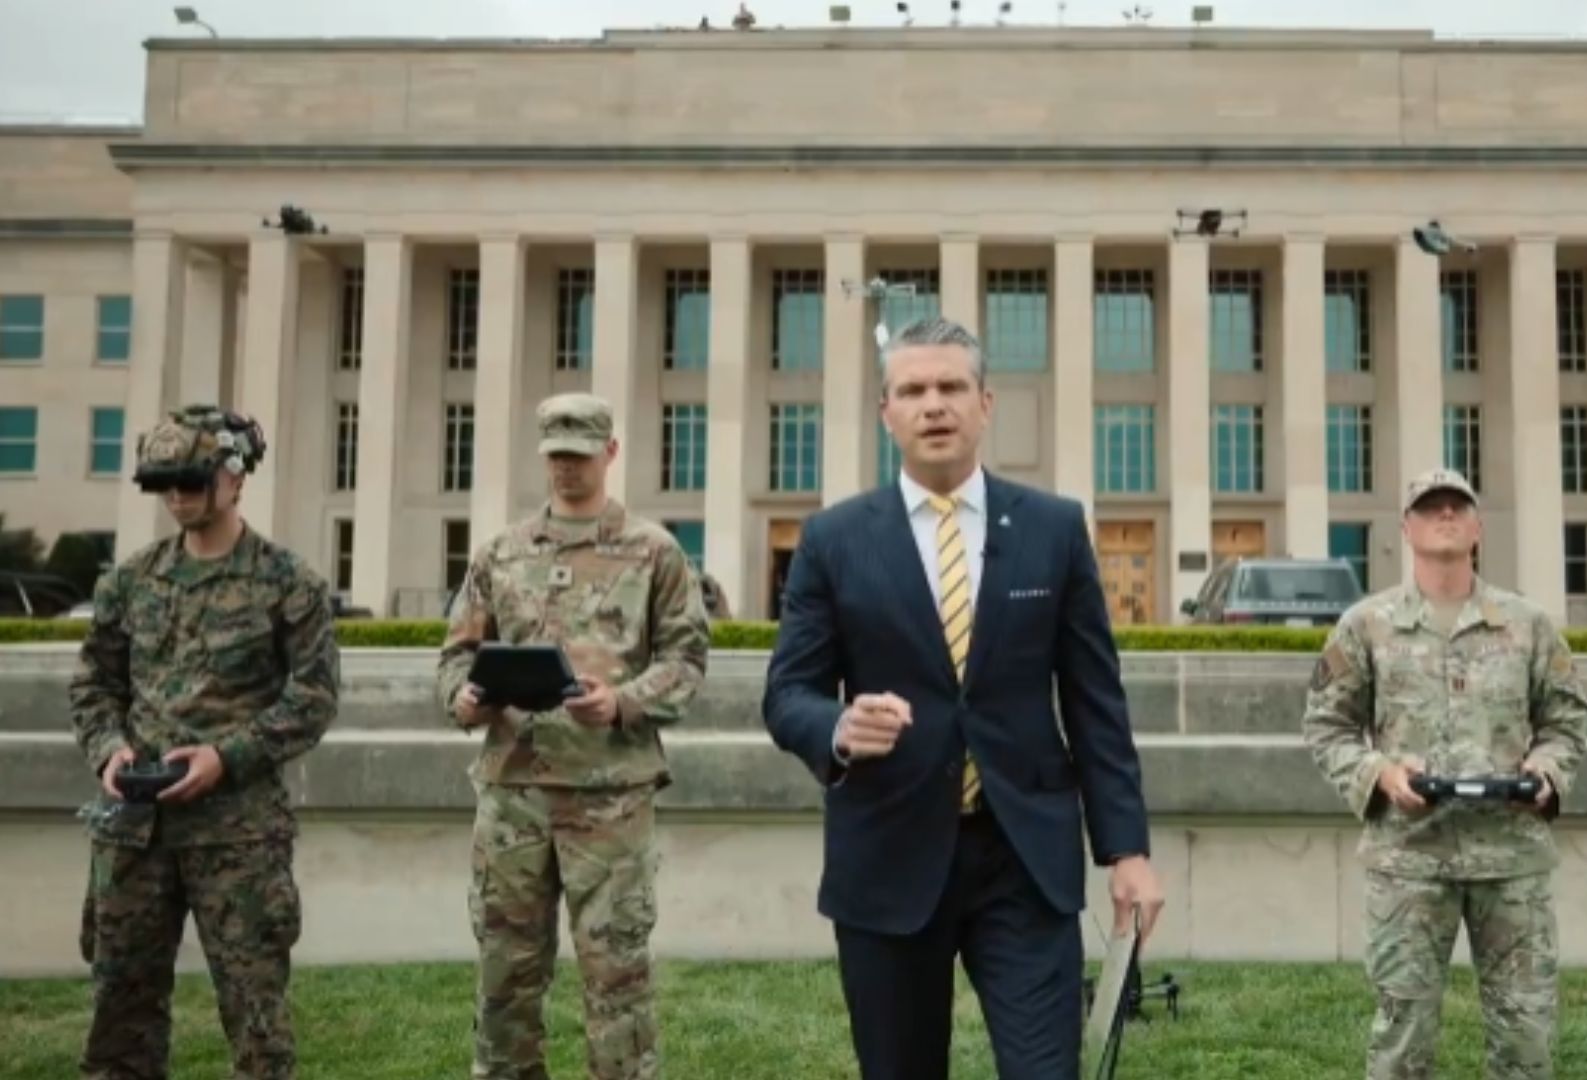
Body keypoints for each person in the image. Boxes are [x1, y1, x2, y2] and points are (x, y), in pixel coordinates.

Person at [761, 316, 1165, 1080]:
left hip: (1023, 859)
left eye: (951, 386)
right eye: (913, 390)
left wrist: (1128, 852)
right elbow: (787, 694)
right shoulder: (833, 540)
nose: (934, 405)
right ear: (886, 412)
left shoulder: (1054, 529)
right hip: (888, 858)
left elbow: (1095, 704)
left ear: (986, 403)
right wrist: (838, 726)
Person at [438, 392, 710, 1080]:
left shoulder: (654, 552)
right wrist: (464, 698)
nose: (567, 467)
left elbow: (687, 659)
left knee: (616, 976)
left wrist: (622, 701)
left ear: (610, 453)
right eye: (556, 454)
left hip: (609, 798)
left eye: (580, 455)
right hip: (513, 795)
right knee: (505, 975)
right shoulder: (500, 553)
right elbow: (456, 655)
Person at [68, 404, 339, 1080]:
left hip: (238, 837)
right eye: (166, 483)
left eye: (192, 480)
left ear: (235, 477)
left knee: (257, 1023)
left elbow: (313, 696)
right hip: (135, 833)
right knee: (120, 1018)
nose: (179, 497)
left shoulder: (288, 583)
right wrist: (109, 751)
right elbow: (95, 683)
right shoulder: (130, 581)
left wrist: (228, 756)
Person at [1302, 467, 1587, 1080]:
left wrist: (1545, 773)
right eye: (1430, 508)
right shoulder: (1367, 625)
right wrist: (1382, 774)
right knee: (1402, 1038)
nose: (1446, 516)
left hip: (1510, 859)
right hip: (1408, 860)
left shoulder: (1527, 624)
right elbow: (1327, 726)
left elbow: (1566, 722)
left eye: (1458, 506)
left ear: (1479, 527)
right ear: (1406, 529)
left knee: (1527, 1038)